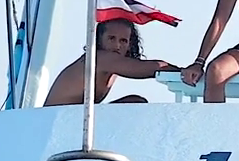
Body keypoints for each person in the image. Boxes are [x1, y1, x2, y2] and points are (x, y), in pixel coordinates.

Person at [43, 20, 179, 106]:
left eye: (123, 41)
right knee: (135, 102)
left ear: (130, 45)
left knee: (134, 102)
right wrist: (183, 72)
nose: (117, 45)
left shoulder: (113, 66)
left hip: (71, 122)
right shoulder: (99, 58)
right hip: (53, 124)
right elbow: (150, 68)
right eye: (111, 38)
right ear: (99, 39)